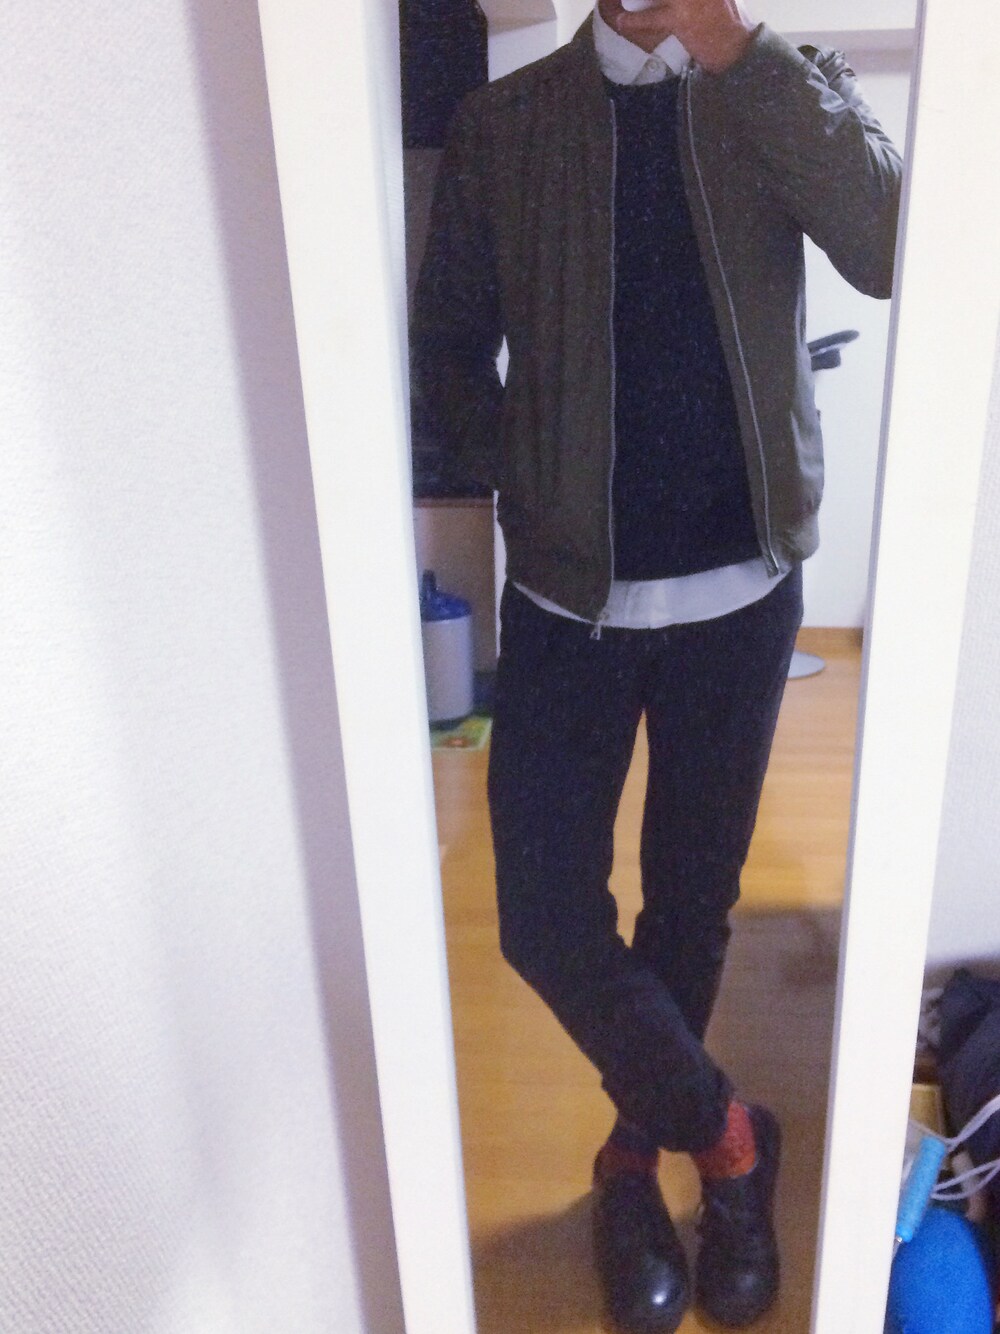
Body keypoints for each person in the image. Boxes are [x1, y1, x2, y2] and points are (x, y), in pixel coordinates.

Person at [411, 1, 901, 1328]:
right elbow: (446, 343)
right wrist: (525, 474)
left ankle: (634, 1162)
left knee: (691, 904)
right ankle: (731, 1141)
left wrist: (740, 50)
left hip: (742, 595)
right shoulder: (506, 123)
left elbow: (890, 245)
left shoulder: (780, 85)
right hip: (566, 595)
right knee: (543, 913)